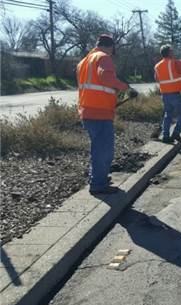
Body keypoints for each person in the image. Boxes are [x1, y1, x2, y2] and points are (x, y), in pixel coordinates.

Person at [77, 34, 129, 195]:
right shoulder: (103, 57)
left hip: (87, 110)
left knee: (98, 148)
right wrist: (125, 87)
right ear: (111, 47)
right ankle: (98, 184)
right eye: (113, 50)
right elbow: (106, 78)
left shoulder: (84, 61)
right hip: (100, 112)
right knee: (104, 151)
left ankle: (97, 178)